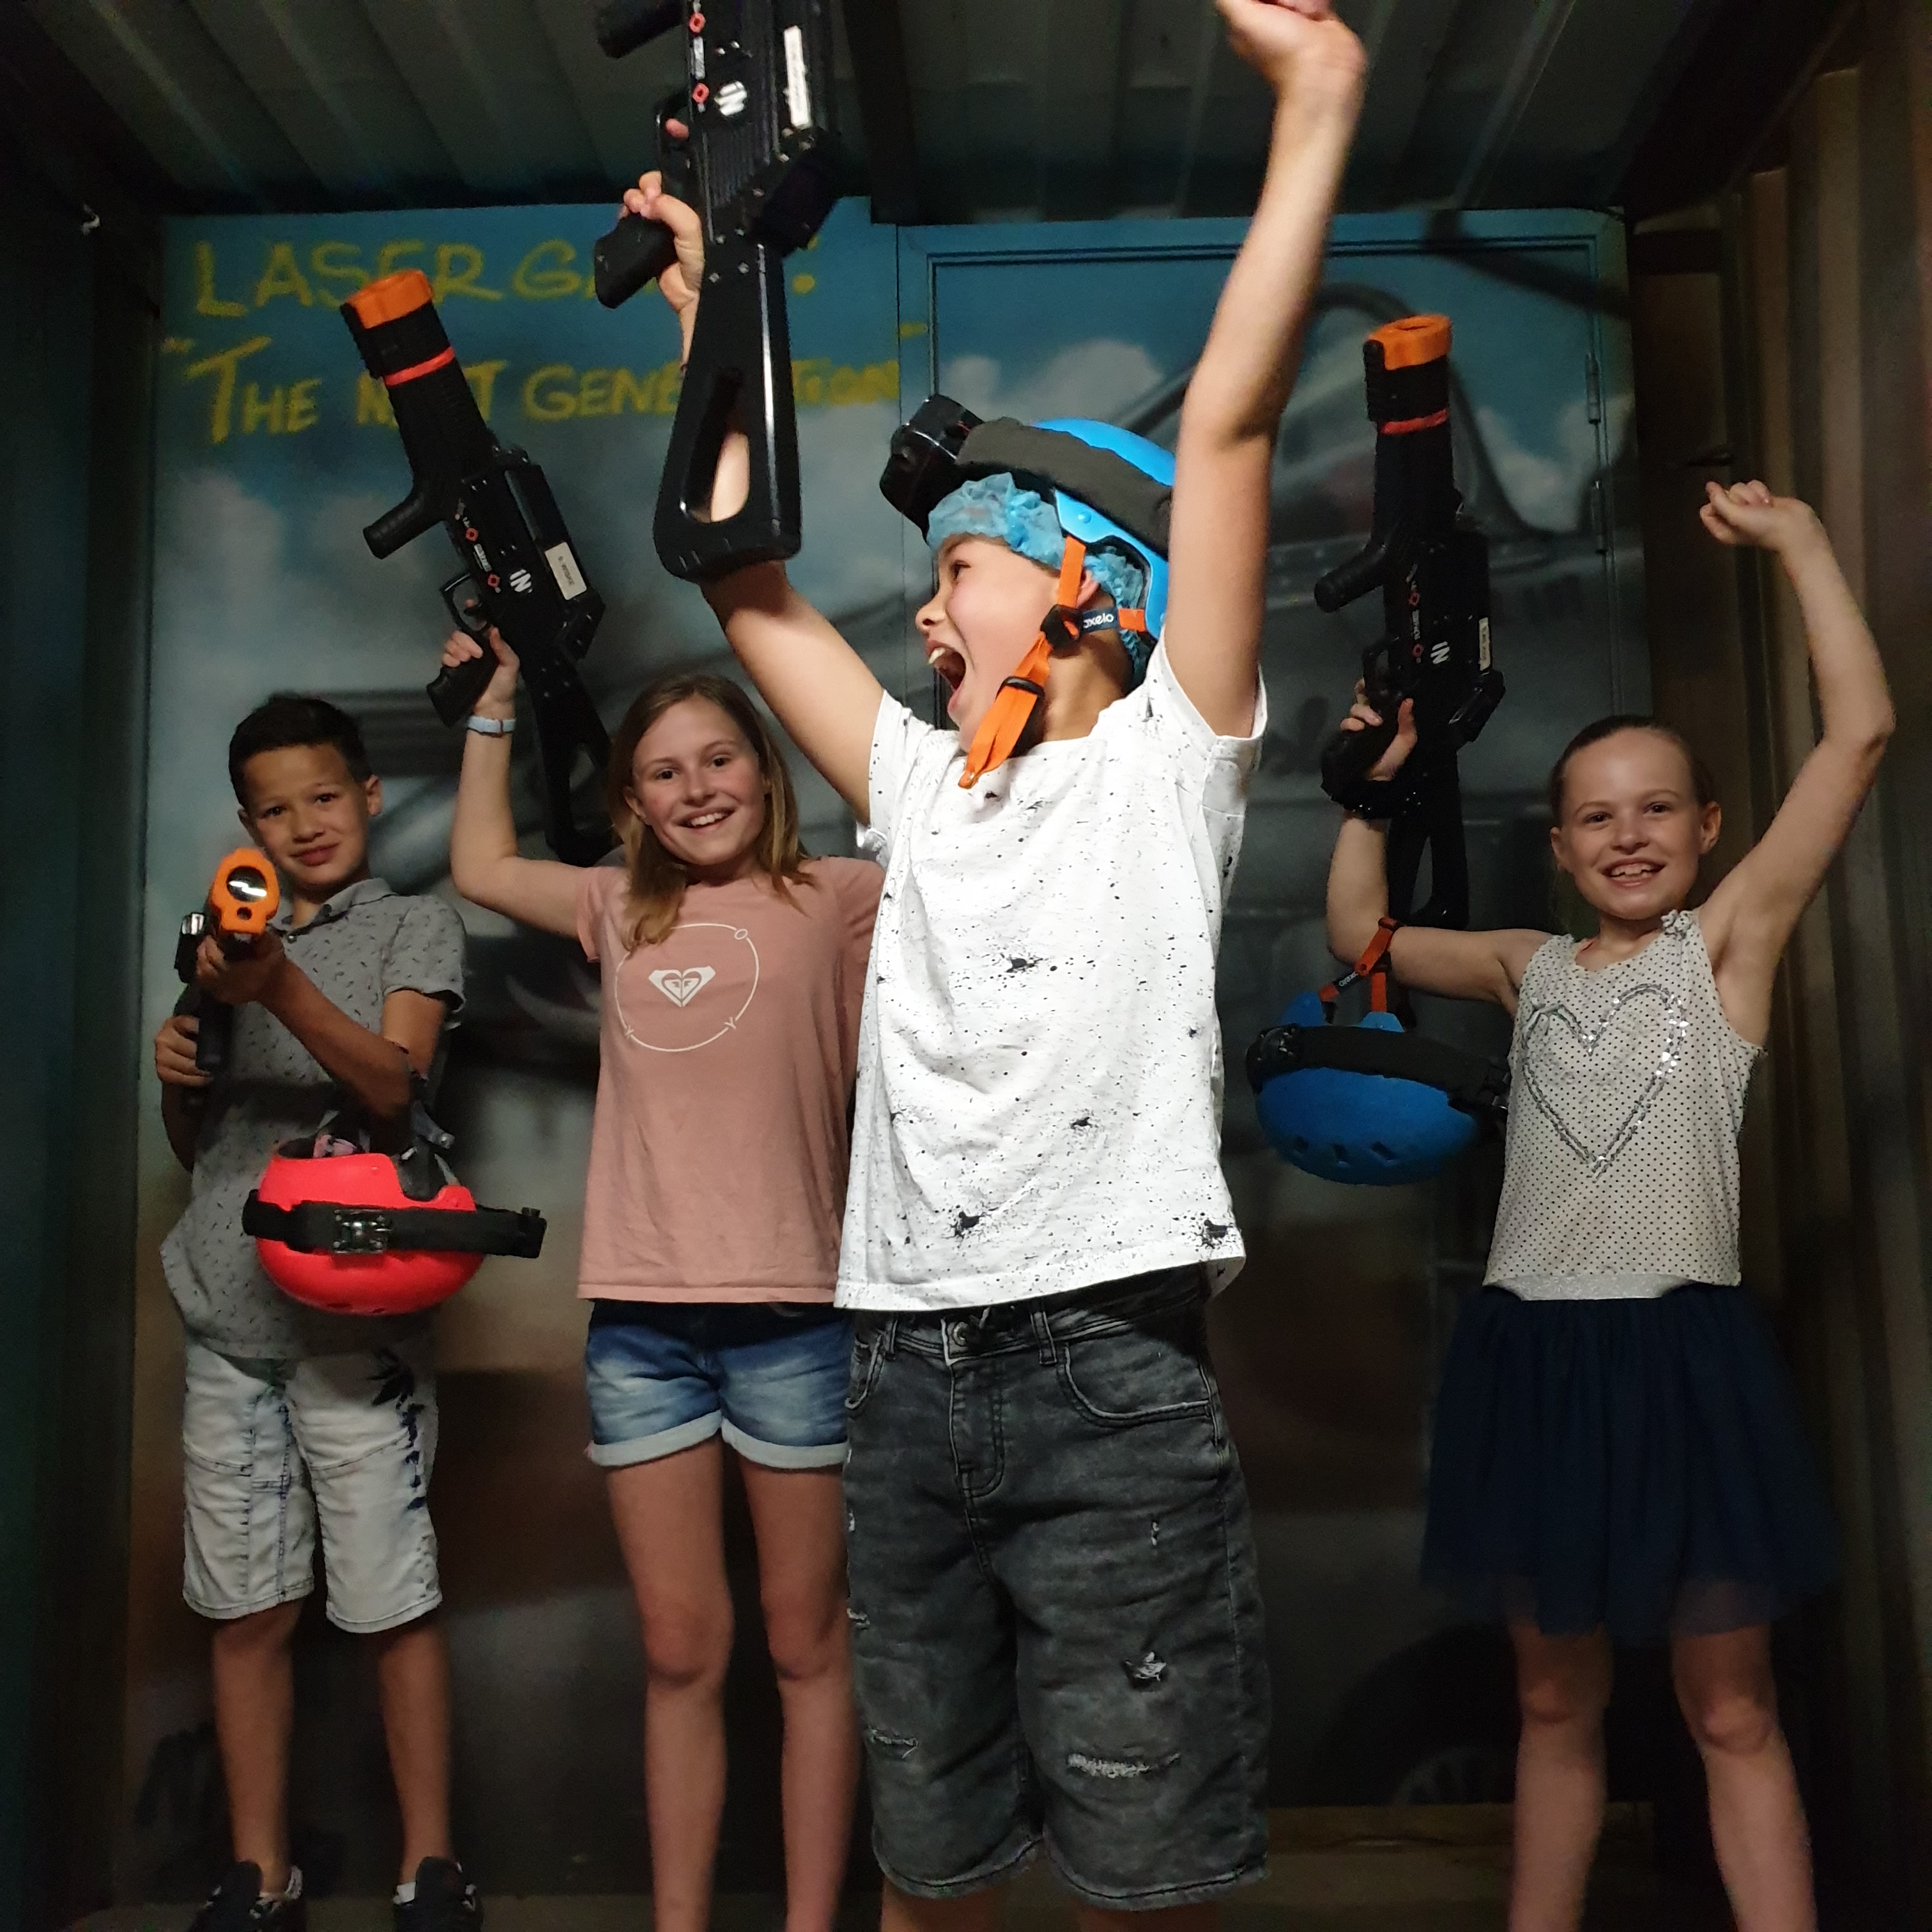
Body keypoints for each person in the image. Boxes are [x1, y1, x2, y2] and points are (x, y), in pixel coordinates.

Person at [625, 3, 1368, 1921]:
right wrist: (717, 320)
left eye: (959, 568)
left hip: (1108, 1367)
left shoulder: (1167, 757)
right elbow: (739, 574)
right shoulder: (913, 789)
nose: (926, 615)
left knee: (1142, 1862)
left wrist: (1317, 103)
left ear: (1091, 586)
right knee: (934, 1853)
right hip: (899, 1372)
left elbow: (1229, 426)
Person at [1324, 479, 1893, 1932]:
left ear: (1708, 826)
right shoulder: (1524, 965)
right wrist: (1369, 794)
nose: (1628, 836)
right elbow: (1359, 935)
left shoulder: (1728, 949)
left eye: (1656, 810)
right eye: (1596, 816)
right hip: (1538, 1358)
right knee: (1552, 1703)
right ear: (1562, 847)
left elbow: (1859, 736)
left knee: (1731, 1708)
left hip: (1680, 1359)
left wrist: (1802, 544)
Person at [438, 631, 879, 1932]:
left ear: (767, 770)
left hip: (796, 1322)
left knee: (806, 1646)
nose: (698, 789)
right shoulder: (616, 908)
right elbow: (477, 867)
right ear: (632, 802)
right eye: (666, 773)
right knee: (681, 1652)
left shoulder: (842, 898)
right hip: (641, 1331)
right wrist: (493, 707)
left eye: (720, 760)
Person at [154, 695, 477, 1932]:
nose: (305, 825)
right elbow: (202, 1146)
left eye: (326, 796)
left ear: (370, 796)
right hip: (229, 1323)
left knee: (393, 1602)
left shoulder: (413, 924)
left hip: (359, 1331)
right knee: (247, 1608)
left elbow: (396, 1086)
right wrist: (176, 1069)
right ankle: (259, 1872)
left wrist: (277, 983)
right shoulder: (219, 948)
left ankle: (431, 1866)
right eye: (276, 810)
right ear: (250, 826)